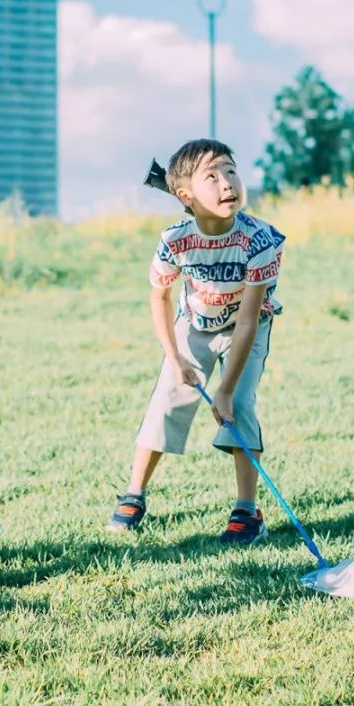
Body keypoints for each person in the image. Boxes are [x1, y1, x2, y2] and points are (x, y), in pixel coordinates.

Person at [107, 139, 285, 546]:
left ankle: (247, 511)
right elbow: (160, 297)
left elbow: (246, 320)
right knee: (166, 400)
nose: (227, 183)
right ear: (185, 196)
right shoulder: (174, 240)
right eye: (212, 176)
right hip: (194, 324)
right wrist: (175, 359)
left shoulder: (260, 240)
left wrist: (224, 390)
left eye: (231, 171)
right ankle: (134, 494)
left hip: (246, 326)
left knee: (240, 405)